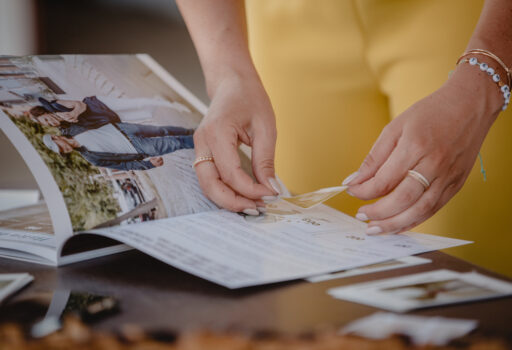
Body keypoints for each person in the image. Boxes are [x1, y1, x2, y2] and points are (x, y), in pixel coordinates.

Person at [176, 0, 512, 275]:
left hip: (468, 25)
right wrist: (227, 74)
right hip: (288, 26)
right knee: (309, 292)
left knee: (476, 281)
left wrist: (481, 85)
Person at [42, 120, 194, 171]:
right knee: (175, 143)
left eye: (60, 147)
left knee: (162, 130)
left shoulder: (73, 127)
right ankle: (201, 138)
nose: (64, 150)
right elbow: (124, 166)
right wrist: (148, 165)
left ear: (56, 137)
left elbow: (79, 107)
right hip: (137, 148)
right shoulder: (92, 159)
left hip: (124, 128)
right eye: (61, 152)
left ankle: (192, 131)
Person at [29, 96, 194, 137]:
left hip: (100, 105)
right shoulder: (64, 127)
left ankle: (170, 104)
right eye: (46, 124)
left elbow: (81, 105)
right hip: (106, 118)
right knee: (147, 113)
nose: (49, 122)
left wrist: (74, 113)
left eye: (46, 119)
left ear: (45, 113)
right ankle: (157, 100)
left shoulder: (57, 104)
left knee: (134, 102)